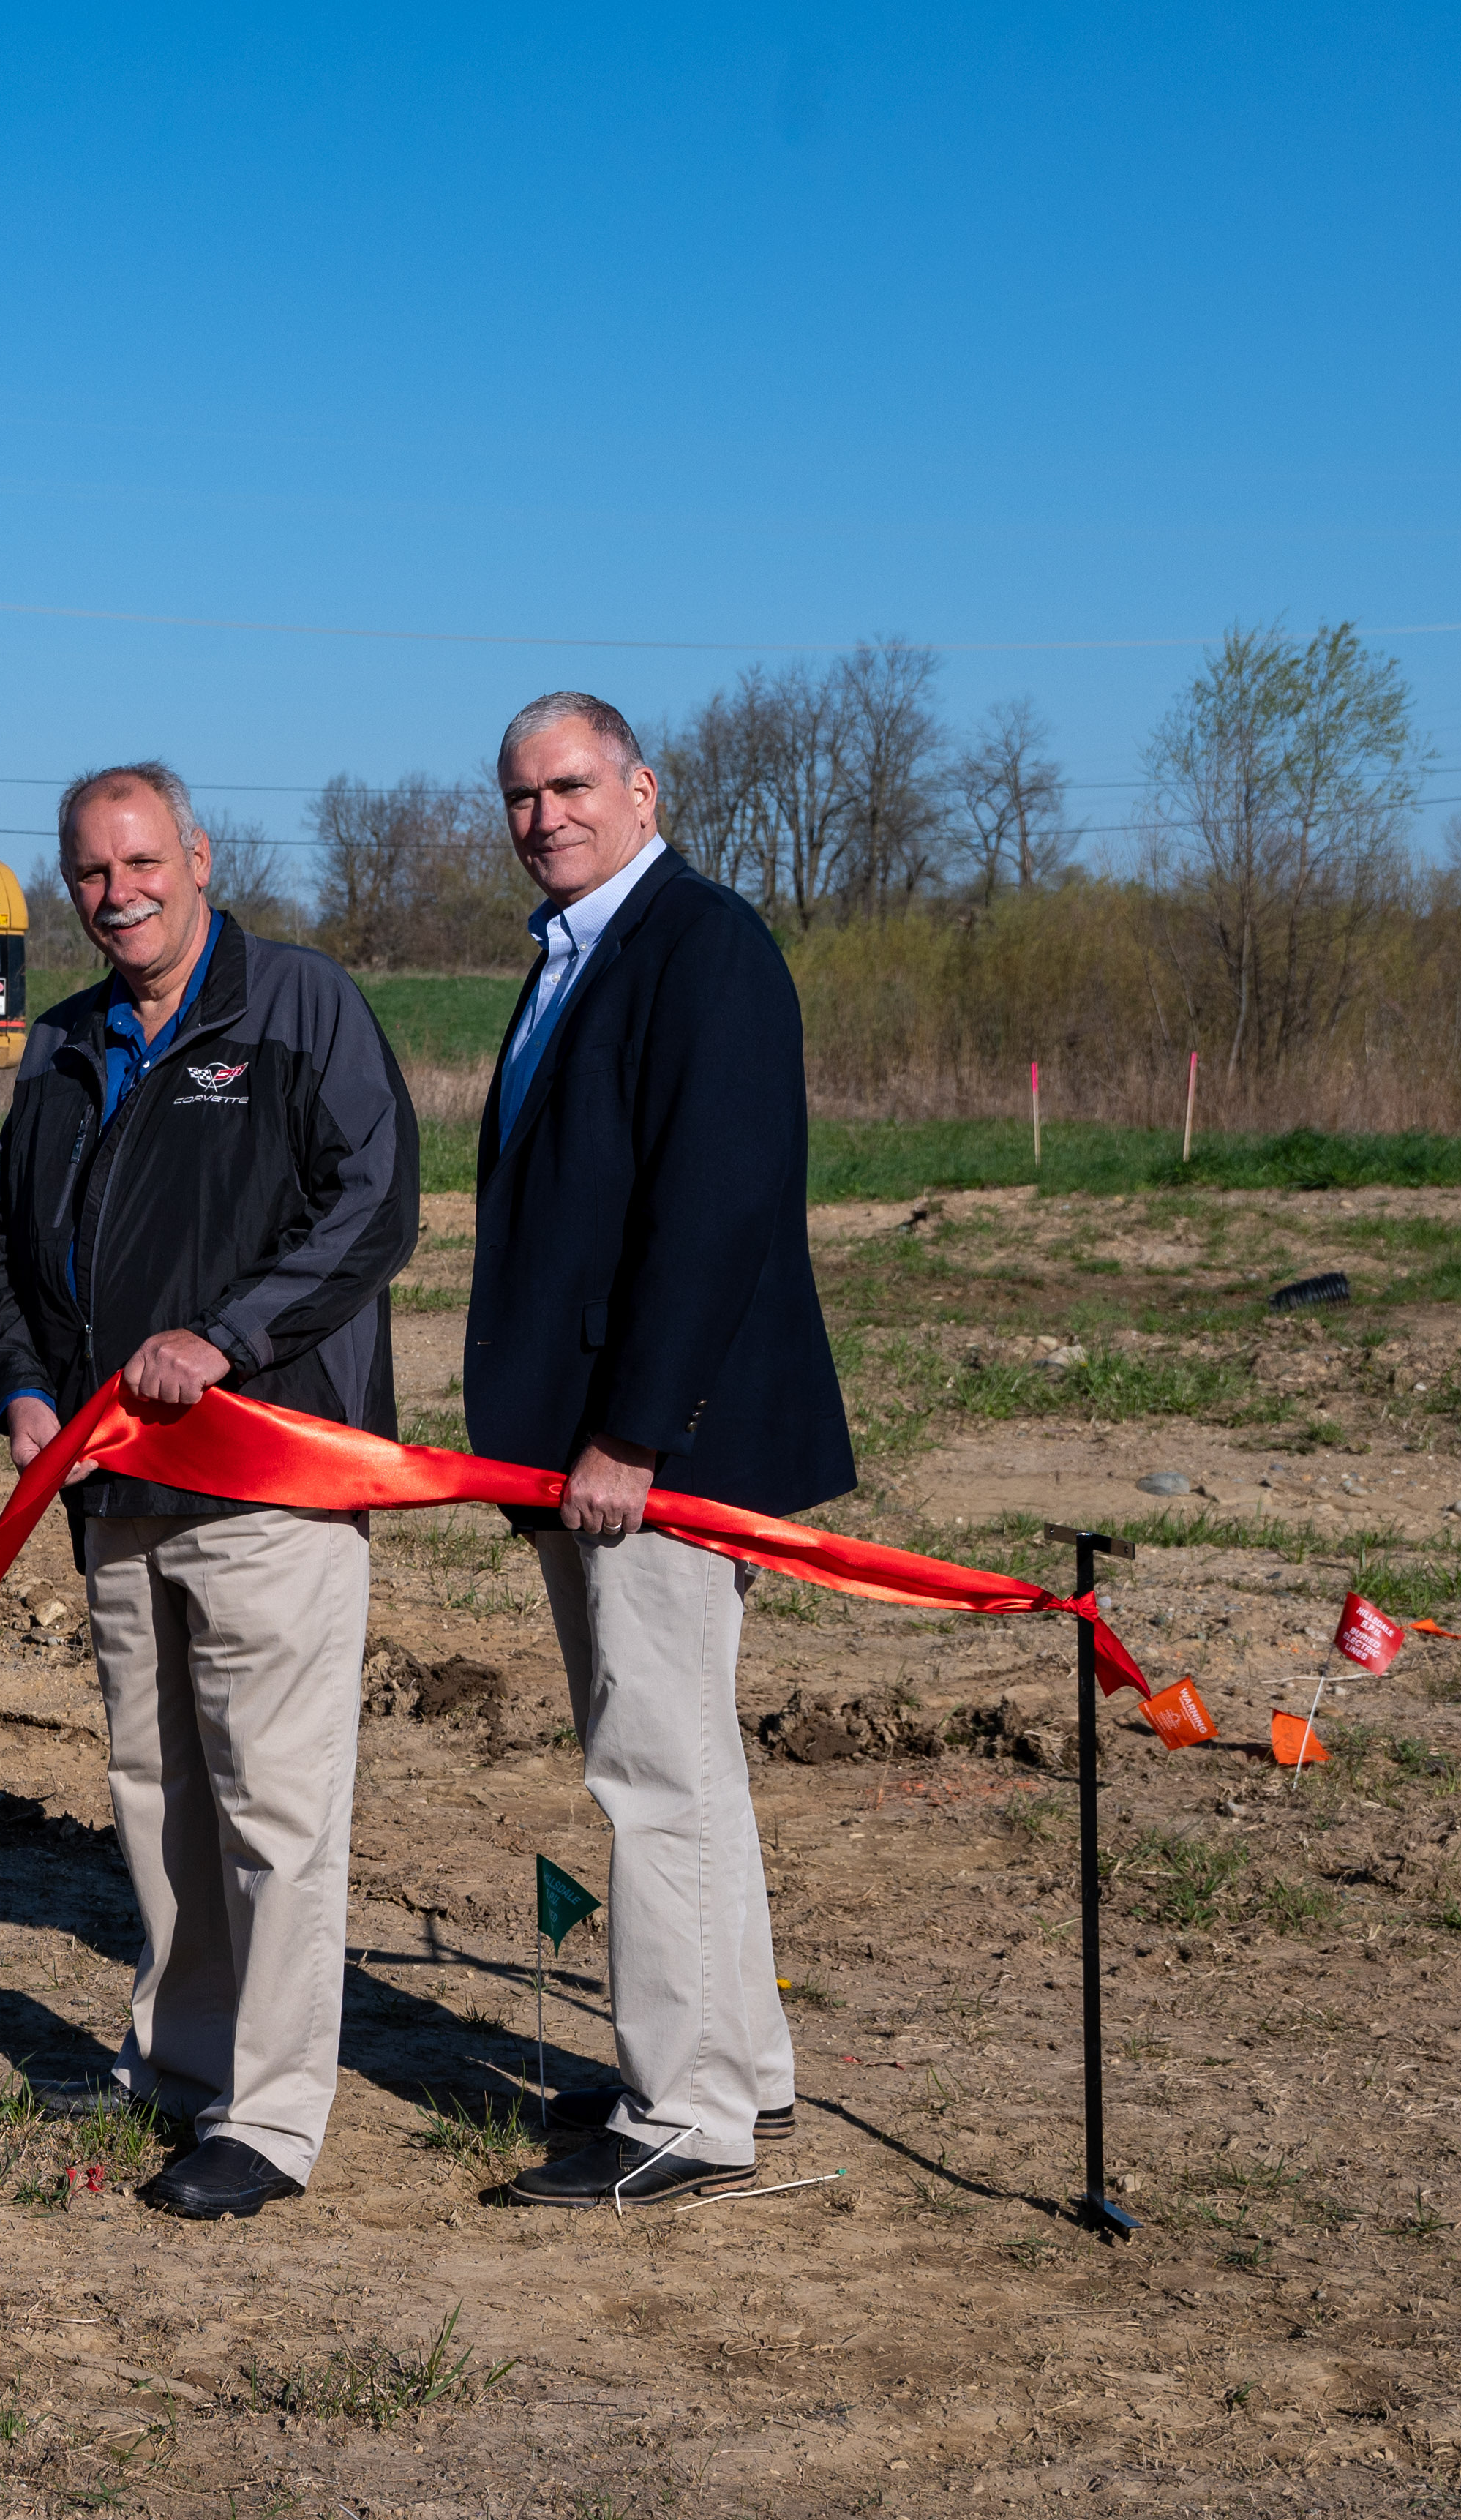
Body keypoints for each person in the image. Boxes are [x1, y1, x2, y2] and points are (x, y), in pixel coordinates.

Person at [0, 762, 418, 2221]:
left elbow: (372, 1203)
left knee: (273, 1806)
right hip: (109, 1488)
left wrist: (224, 1338)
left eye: (141, 862)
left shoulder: (296, 1008)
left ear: (199, 857)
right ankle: (179, 2055)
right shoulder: (63, 1041)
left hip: (265, 1479)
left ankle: (271, 2116)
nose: (117, 895)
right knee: (156, 1793)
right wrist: (23, 1386)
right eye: (90, 874)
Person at [467, 691, 852, 2210]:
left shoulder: (703, 945)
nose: (543, 814)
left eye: (569, 785)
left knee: (652, 1766)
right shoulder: (573, 953)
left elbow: (715, 1203)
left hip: (656, 1450)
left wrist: (630, 1430)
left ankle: (685, 2110)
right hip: (594, 1446)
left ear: (641, 787)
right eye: (518, 794)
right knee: (683, 1751)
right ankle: (737, 2059)